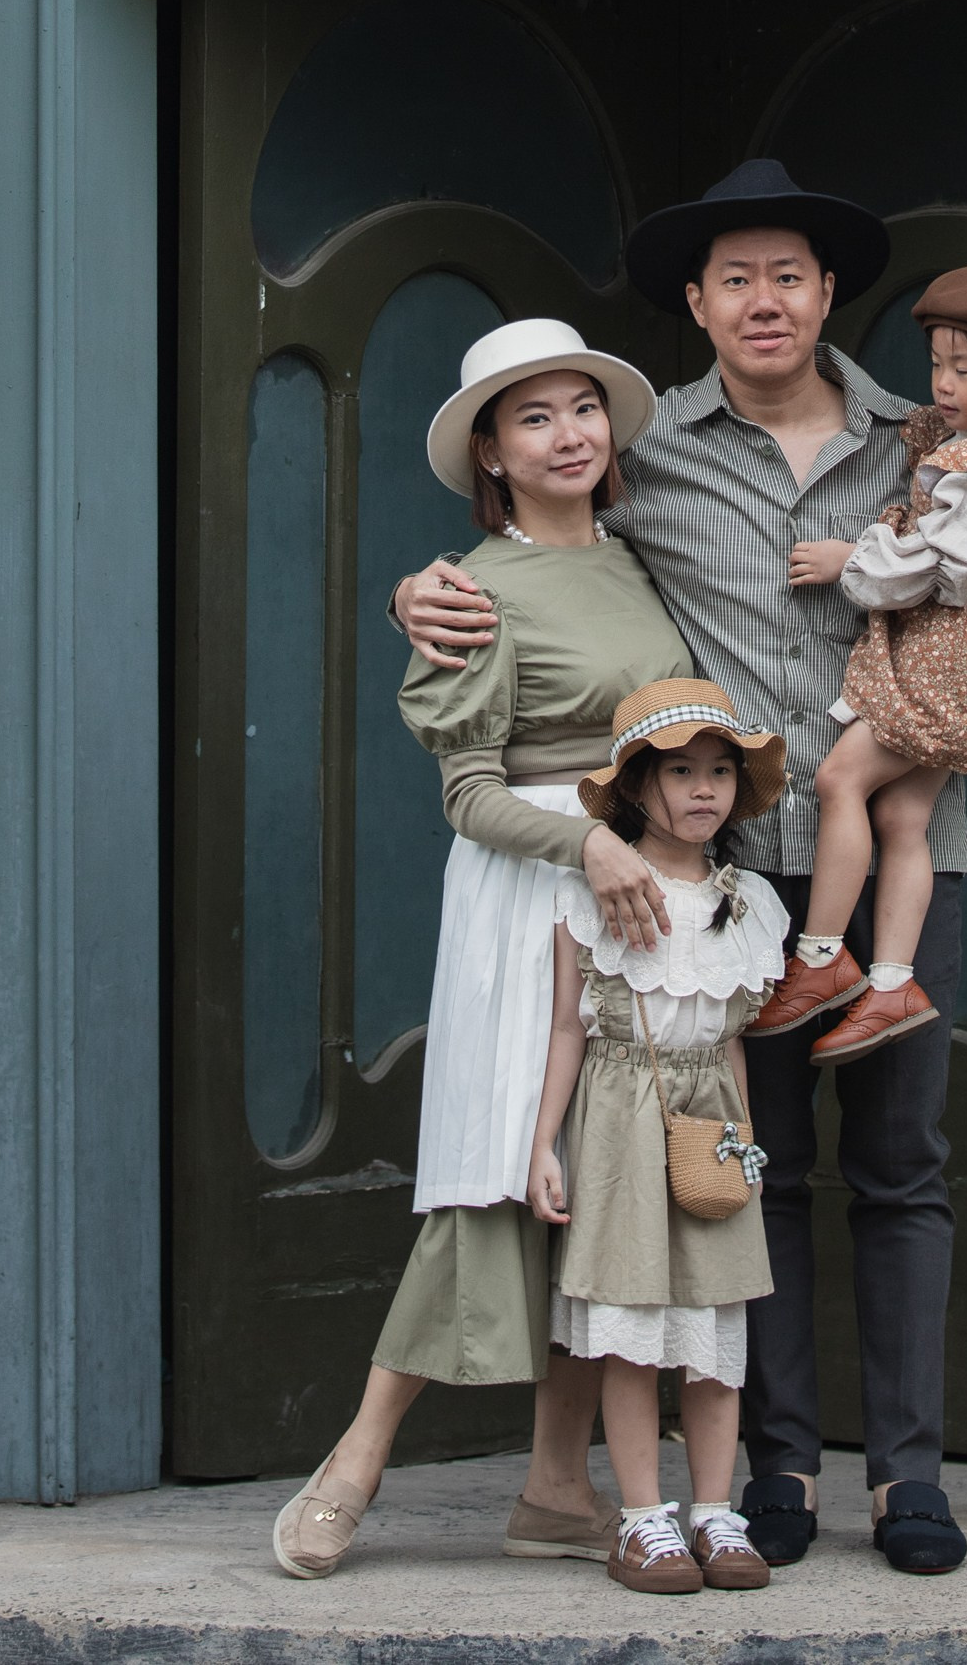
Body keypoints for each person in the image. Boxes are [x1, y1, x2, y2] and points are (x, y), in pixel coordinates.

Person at [393, 157, 967, 1578]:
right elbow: (551, 548)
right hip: (716, 884)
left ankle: (905, 1477)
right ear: (699, 311)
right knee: (741, 1171)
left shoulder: (926, 445)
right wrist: (429, 586)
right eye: (735, 280)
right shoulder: (644, 459)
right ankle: (766, 1469)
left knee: (901, 1168)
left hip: (894, 862)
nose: (764, 301)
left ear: (829, 295)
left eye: (789, 275)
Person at [274, 317, 688, 1581]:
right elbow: (466, 791)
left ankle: (559, 1487)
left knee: (598, 1181)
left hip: (640, 897)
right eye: (534, 418)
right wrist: (592, 850)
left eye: (582, 409)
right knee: (497, 1173)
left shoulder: (634, 561)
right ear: (492, 457)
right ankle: (353, 1461)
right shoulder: (472, 589)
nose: (568, 434)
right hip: (532, 898)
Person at [753, 265, 967, 1063]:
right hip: (947, 658)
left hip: (959, 667)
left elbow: (951, 566)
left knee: (839, 781)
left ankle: (822, 959)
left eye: (964, 369)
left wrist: (851, 559)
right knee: (904, 817)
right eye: (938, 364)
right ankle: (894, 980)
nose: (942, 383)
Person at [528, 681, 790, 1594]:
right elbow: (569, 1027)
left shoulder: (750, 901)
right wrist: (541, 1148)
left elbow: (733, 1043)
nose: (705, 789)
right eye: (681, 771)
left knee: (715, 1323)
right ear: (637, 787)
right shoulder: (586, 893)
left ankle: (716, 1510)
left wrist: (741, 1143)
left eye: (720, 772)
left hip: (708, 1120)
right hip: (614, 1122)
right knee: (631, 1327)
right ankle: (645, 1520)